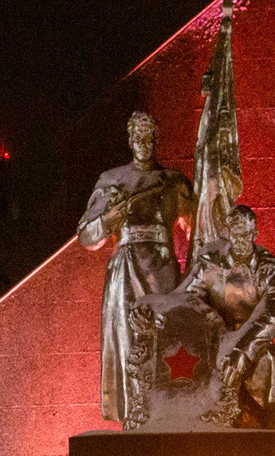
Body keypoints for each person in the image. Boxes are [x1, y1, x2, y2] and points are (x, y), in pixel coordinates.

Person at [78, 111, 195, 424]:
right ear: (130, 141)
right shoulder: (112, 180)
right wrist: (107, 220)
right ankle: (135, 419)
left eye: (150, 137)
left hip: (163, 272)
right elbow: (87, 236)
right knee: (131, 344)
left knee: (168, 345)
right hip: (126, 274)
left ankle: (169, 415)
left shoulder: (173, 182)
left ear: (157, 141)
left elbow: (199, 230)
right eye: (138, 137)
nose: (144, 143)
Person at [180, 203, 275, 429]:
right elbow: (188, 298)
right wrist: (212, 320)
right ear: (227, 234)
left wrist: (242, 351)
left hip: (253, 344)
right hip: (212, 340)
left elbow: (270, 317)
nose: (240, 241)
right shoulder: (210, 264)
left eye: (246, 235)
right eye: (235, 236)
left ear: (255, 234)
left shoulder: (272, 271)